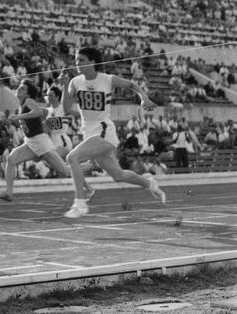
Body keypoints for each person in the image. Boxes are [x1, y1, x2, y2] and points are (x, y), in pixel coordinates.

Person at [62, 46, 166, 218]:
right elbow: (66, 108)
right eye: (76, 60)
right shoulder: (75, 81)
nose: (77, 63)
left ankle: (80, 203)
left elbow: (132, 85)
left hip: (104, 131)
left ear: (92, 62)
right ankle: (150, 184)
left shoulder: (107, 79)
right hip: (88, 132)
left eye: (81, 60)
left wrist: (144, 98)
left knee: (72, 157)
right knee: (118, 175)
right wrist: (65, 86)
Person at [0, 79, 92, 208]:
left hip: (40, 142)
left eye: (22, 88)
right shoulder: (21, 104)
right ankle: (9, 192)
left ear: (28, 94)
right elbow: (42, 113)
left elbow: (38, 112)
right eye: (19, 88)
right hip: (30, 142)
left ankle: (91, 166)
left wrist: (19, 117)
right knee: (11, 159)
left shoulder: (29, 101)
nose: (19, 89)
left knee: (65, 171)